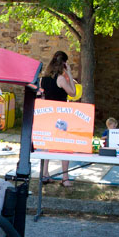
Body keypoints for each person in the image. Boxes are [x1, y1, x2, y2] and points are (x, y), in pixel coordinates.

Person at [39, 51, 78, 187]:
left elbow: (42, 96)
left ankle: (44, 174)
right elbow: (73, 93)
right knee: (65, 145)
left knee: (47, 145)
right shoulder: (61, 78)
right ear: (64, 63)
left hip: (48, 114)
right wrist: (70, 74)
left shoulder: (43, 78)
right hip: (61, 115)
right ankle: (65, 177)